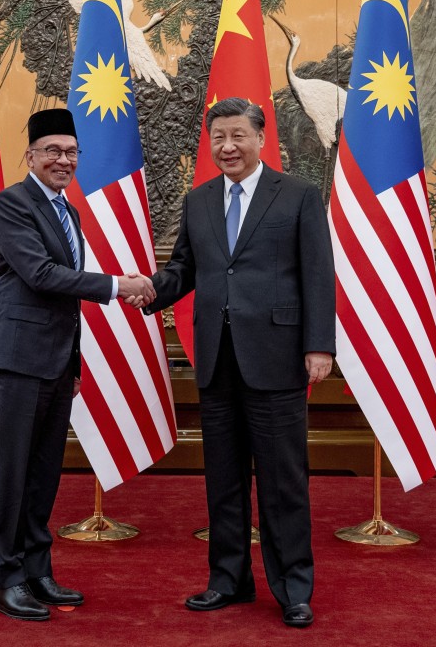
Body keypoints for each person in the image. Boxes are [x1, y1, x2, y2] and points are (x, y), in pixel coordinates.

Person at [140, 97, 335, 628]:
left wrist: (319, 345)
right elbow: (185, 268)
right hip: (217, 362)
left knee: (282, 481)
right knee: (222, 480)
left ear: (260, 139)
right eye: (218, 138)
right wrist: (147, 291)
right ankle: (228, 580)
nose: (227, 147)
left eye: (237, 136)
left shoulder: (298, 195)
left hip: (276, 357)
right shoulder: (198, 200)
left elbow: (318, 273)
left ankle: (293, 588)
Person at [0, 108, 154, 621]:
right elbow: (40, 275)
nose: (63, 160)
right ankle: (5, 580)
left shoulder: (69, 211)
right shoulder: (12, 203)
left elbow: (65, 301)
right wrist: (117, 285)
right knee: (13, 474)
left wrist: (74, 365)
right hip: (18, 359)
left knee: (44, 474)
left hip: (57, 364)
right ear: (30, 155)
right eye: (53, 151)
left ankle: (37, 572)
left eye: (71, 153)